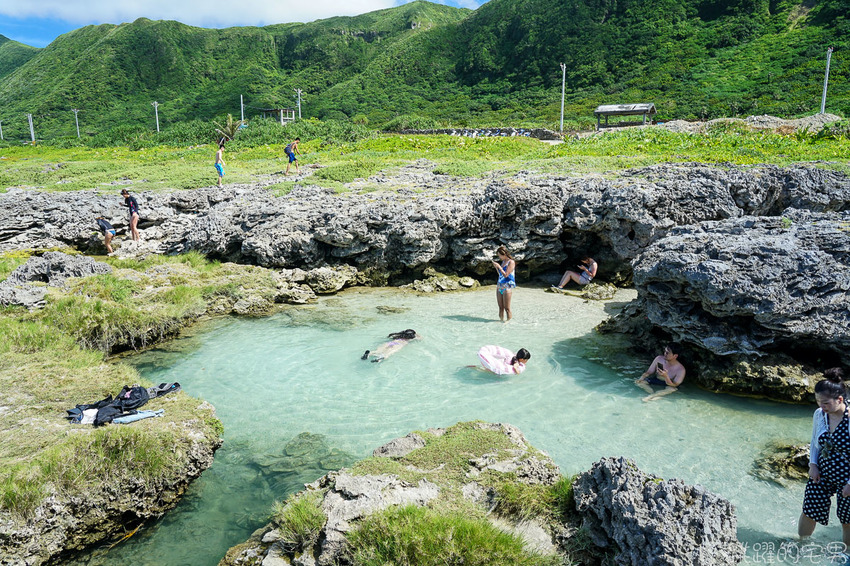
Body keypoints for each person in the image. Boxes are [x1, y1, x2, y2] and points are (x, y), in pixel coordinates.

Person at [799, 368, 850, 552]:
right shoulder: (819, 414)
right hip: (822, 471)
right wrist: (813, 464)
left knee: (847, 521)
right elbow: (814, 441)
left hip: (847, 478)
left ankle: (846, 554)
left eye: (826, 402)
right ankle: (801, 544)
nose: (821, 406)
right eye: (818, 401)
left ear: (840, 400)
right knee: (809, 509)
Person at [493, 245, 516, 322]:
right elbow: (500, 275)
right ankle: (501, 321)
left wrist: (499, 267)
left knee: (507, 308)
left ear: (504, 254)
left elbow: (506, 275)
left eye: (500, 255)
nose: (499, 257)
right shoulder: (503, 262)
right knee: (501, 307)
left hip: (507, 287)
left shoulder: (511, 262)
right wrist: (497, 267)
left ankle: (508, 322)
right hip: (499, 286)